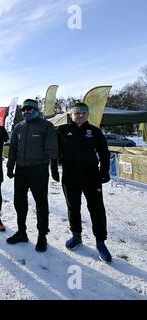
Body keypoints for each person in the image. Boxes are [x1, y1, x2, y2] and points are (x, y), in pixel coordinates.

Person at [54, 102, 112, 263]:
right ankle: (76, 235)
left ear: (87, 115)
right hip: (70, 176)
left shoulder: (94, 131)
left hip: (92, 176)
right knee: (73, 207)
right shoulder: (62, 130)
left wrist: (104, 171)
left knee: (97, 209)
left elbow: (104, 153)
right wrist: (53, 168)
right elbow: (53, 151)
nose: (80, 115)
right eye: (77, 113)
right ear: (71, 114)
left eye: (83, 113)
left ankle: (100, 242)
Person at [6, 99, 58, 252]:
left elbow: (52, 148)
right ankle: (22, 232)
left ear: (36, 110)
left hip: (38, 170)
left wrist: (53, 165)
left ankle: (42, 235)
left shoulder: (46, 126)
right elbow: (13, 148)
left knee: (41, 204)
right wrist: (10, 166)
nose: (26, 112)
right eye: (23, 109)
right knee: (19, 202)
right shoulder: (18, 127)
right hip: (21, 170)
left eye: (29, 109)